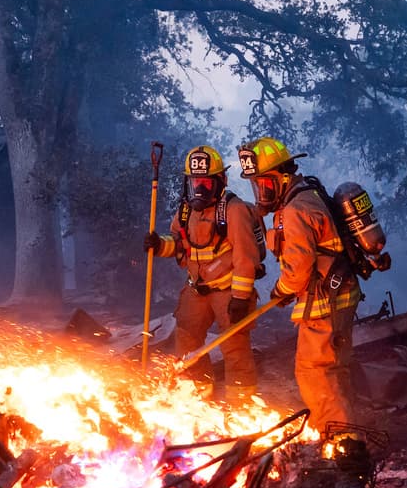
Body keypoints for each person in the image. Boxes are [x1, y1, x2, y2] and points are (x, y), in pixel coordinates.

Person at [237, 137, 364, 447]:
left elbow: (298, 269)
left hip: (324, 302)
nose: (261, 192)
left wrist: (280, 290)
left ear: (283, 177)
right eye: (257, 186)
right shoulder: (307, 193)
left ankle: (343, 444)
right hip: (338, 295)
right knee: (334, 367)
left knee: (314, 371)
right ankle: (342, 429)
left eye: (265, 184)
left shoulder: (295, 210)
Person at [144, 145, 265, 402]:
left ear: (221, 181)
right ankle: (200, 395)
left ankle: (241, 404)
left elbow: (246, 257)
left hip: (229, 291)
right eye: (195, 183)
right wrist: (159, 244)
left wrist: (240, 298)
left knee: (234, 346)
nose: (200, 190)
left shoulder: (234, 210)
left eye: (206, 184)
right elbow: (180, 244)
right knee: (186, 340)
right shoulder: (185, 211)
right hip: (196, 289)